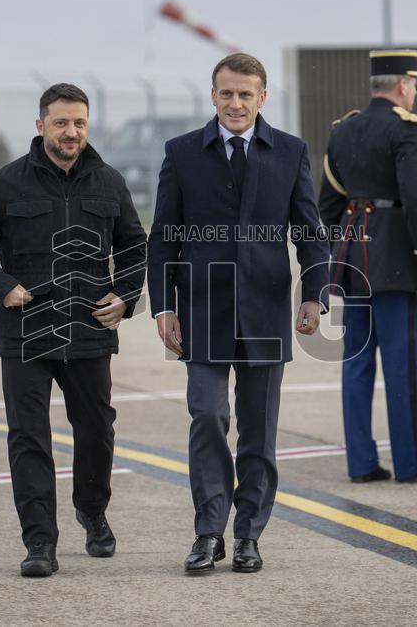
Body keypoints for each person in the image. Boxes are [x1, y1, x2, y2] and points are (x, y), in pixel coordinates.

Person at [0, 83, 147, 578]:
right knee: (29, 438)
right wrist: (2, 287)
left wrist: (126, 299)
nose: (71, 132)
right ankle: (40, 542)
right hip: (26, 332)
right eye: (61, 123)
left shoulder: (109, 182)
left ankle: (92, 509)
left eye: (79, 123)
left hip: (88, 330)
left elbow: (134, 247)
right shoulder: (6, 182)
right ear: (41, 126)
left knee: (97, 431)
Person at [147, 53, 330, 574]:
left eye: (245, 94)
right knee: (207, 416)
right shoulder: (181, 153)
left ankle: (248, 534)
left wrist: (313, 295)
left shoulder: (290, 152)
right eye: (226, 93)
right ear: (213, 96)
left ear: (262, 98)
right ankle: (209, 532)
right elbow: (163, 238)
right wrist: (163, 305)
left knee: (258, 432)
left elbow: (311, 232)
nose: (235, 103)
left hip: (267, 311)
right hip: (200, 311)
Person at [318, 49, 417, 485]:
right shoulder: (405, 129)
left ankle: (361, 462)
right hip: (396, 262)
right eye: (413, 87)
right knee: (401, 365)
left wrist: (340, 258)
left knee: (356, 366)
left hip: (354, 261)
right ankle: (413, 463)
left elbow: (328, 207)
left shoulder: (343, 130)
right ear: (404, 86)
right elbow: (416, 199)